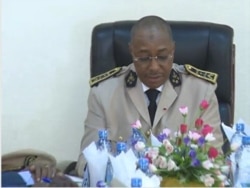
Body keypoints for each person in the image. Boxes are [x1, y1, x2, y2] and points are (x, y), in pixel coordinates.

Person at [75, 15, 224, 177]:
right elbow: (86, 161)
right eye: (144, 58)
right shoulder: (104, 93)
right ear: (131, 51)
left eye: (162, 57)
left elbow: (214, 161)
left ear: (172, 51)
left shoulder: (201, 91)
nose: (154, 67)